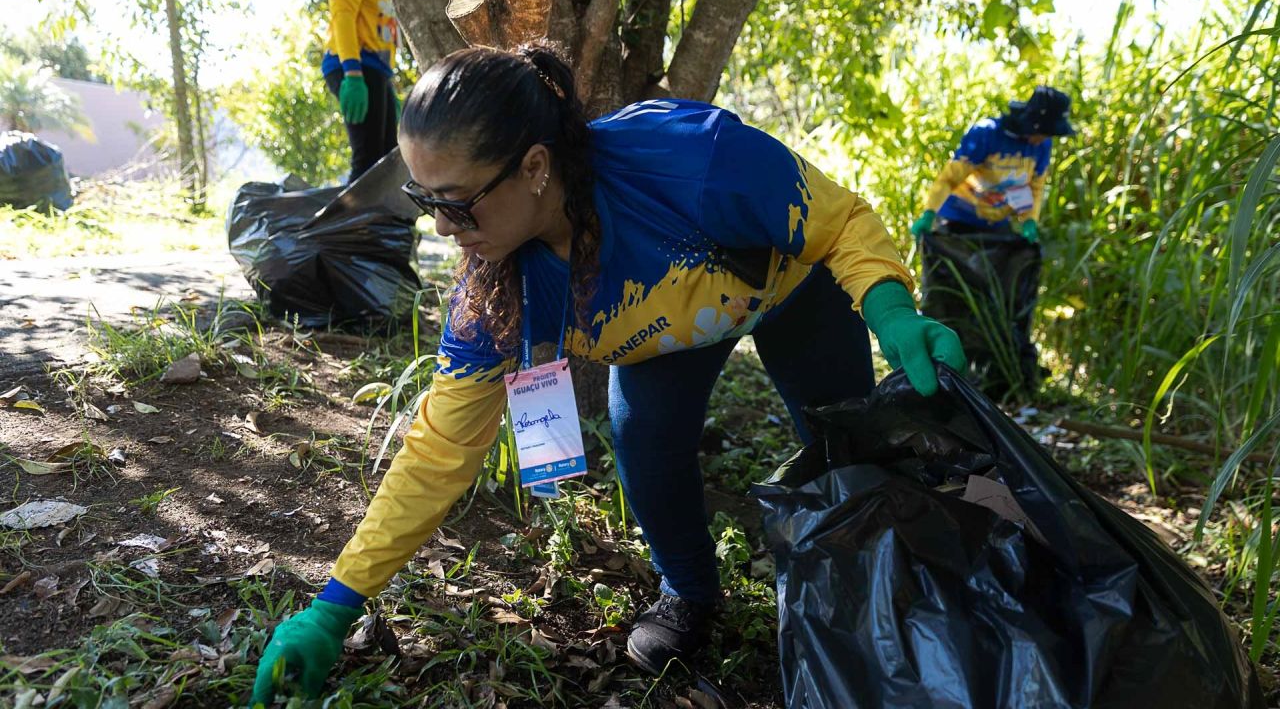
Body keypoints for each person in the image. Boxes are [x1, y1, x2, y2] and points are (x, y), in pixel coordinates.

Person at [250, 43, 965, 704]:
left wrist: (893, 313)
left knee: (847, 451)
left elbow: (836, 222)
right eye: (423, 200)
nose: (440, 227)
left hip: (790, 294)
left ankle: (889, 584)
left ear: (534, 167)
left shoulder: (689, 160)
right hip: (667, 343)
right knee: (645, 448)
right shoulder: (497, 292)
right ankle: (687, 591)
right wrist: (334, 606)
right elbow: (439, 451)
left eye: (455, 202)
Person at [910, 86, 1076, 242]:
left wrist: (1029, 221)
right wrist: (929, 213)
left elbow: (1035, 188)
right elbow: (949, 178)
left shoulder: (1042, 146)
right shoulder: (987, 134)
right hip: (957, 219)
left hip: (996, 225)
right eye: (1044, 133)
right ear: (1032, 124)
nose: (1044, 139)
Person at [322, 0, 400, 182]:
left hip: (376, 69)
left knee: (388, 157)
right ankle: (347, 212)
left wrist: (388, 86)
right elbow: (343, 14)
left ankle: (386, 213)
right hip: (355, 66)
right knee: (368, 161)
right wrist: (352, 73)